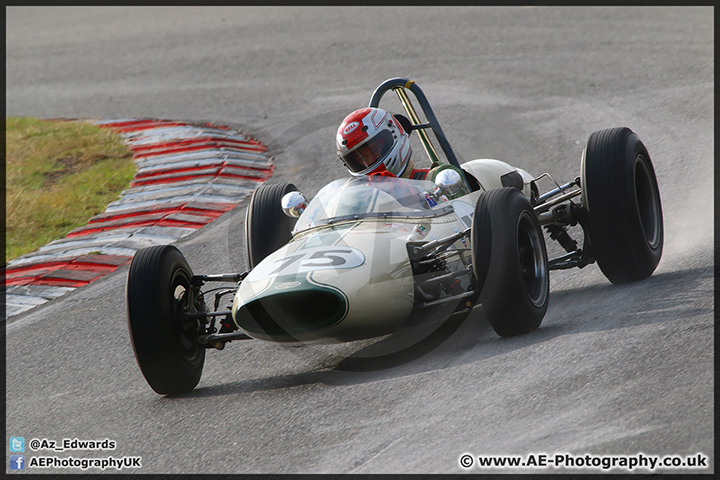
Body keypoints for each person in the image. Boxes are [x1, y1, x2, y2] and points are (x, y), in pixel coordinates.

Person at [336, 107, 414, 178]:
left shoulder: (425, 181)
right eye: (362, 159)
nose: (370, 160)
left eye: (376, 149)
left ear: (394, 133)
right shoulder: (355, 190)